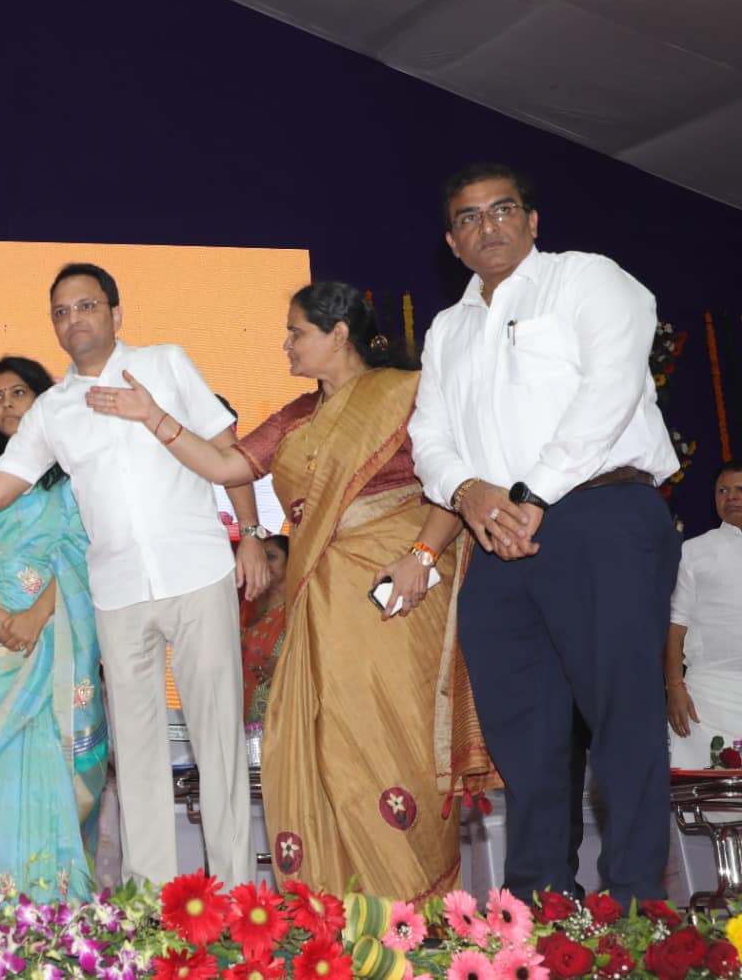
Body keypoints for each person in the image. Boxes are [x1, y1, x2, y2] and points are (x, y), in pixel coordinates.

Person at [0, 263, 270, 888]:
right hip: (117, 593)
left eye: (87, 306)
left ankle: (232, 896)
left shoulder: (165, 363)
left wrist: (252, 534)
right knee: (137, 754)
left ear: (116, 314)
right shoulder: (52, 410)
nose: (74, 319)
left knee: (218, 745)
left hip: (197, 571)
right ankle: (150, 901)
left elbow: (227, 446)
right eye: (61, 311)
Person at [85, 281, 496, 899]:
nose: (285, 345)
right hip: (321, 599)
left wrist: (422, 556)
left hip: (398, 594)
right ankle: (335, 911)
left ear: (338, 333)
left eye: (296, 332)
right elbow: (226, 465)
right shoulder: (297, 416)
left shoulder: (407, 392)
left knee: (391, 739)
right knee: (324, 742)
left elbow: (456, 479)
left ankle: (413, 907)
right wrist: (153, 416)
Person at [408, 163, 679, 906]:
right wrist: (469, 492)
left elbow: (610, 390)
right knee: (524, 736)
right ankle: (539, 906)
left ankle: (636, 906)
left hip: (600, 513)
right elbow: (428, 435)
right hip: (495, 538)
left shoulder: (588, 279)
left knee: (622, 717)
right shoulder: (448, 328)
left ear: (533, 221)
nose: (487, 226)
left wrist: (533, 493)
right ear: (452, 242)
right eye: (468, 218)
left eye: (502, 210)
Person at [0, 355, 108, 900]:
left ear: (44, 403)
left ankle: (66, 912)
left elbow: (83, 550)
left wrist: (35, 616)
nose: (6, 404)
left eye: (18, 393)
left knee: (63, 763)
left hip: (58, 631)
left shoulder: (73, 476)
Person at [666, 460, 742, 767]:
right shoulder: (694, 551)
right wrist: (674, 687)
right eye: (723, 490)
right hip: (707, 697)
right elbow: (675, 626)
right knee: (701, 791)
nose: (731, 497)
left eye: (739, 489)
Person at [239, 535, 288, 727]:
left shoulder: (299, 611)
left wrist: (287, 666)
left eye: (271, 557)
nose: (264, 563)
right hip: (237, 710)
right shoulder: (247, 607)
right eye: (260, 556)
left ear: (291, 563)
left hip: (277, 717)